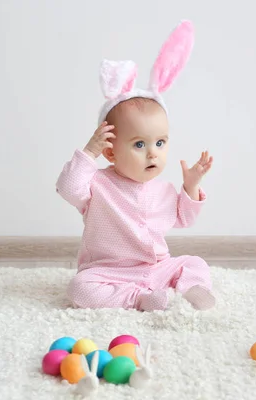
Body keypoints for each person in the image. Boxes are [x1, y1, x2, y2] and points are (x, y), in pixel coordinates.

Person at [55, 20, 215, 311]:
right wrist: (89, 153)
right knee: (80, 289)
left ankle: (192, 289)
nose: (153, 154)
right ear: (111, 153)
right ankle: (140, 299)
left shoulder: (164, 190)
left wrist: (191, 186)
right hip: (109, 272)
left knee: (194, 263)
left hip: (158, 268)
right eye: (140, 145)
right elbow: (67, 188)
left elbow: (184, 218)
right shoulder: (97, 185)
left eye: (160, 143)